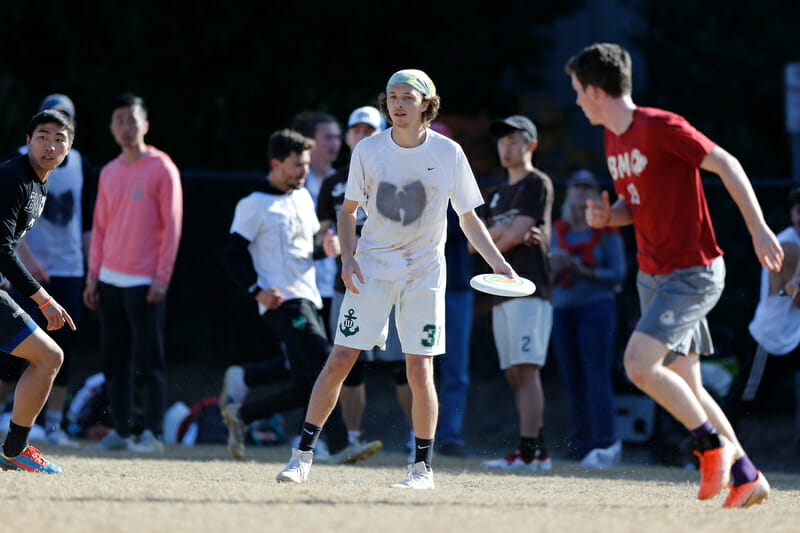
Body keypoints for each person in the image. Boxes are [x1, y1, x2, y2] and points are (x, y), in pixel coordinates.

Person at [565, 42, 783, 508]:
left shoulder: (659, 126)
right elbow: (636, 204)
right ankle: (748, 475)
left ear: (596, 90)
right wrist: (610, 219)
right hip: (653, 276)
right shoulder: (612, 138)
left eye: (578, 92)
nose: (577, 101)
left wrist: (760, 229)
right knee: (689, 386)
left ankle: (709, 447)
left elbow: (727, 163)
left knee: (639, 366)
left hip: (693, 273)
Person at [277, 69, 513, 490]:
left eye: (407, 96)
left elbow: (468, 218)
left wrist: (499, 263)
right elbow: (347, 212)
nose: (397, 104)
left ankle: (422, 469)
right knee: (339, 362)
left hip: (425, 274)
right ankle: (302, 456)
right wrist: (349, 259)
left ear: (426, 102)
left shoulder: (449, 152)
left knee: (420, 372)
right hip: (372, 271)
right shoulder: (368, 150)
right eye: (391, 96)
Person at [219, 128, 381, 465]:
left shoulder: (303, 197)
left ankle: (243, 414)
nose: (304, 172)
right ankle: (338, 447)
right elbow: (232, 254)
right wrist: (256, 291)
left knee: (309, 382)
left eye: (306, 164)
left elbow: (306, 248)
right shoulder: (252, 204)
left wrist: (325, 250)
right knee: (327, 363)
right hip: (282, 303)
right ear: (276, 164)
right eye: (297, 165)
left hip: (310, 298)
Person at [84, 93, 183, 453]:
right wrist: (93, 277)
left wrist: (162, 277)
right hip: (109, 280)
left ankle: (153, 434)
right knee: (114, 361)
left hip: (145, 282)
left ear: (145, 124)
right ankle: (122, 432)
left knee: (149, 362)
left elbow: (172, 227)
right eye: (119, 120)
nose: (125, 127)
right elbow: (100, 228)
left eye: (131, 119)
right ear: (111, 128)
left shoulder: (162, 167)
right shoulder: (109, 172)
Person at [0, 94, 97, 448]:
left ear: (69, 149)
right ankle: (15, 450)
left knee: (49, 356)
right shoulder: (15, 177)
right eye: (42, 136)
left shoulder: (39, 182)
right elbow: (2, 249)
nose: (50, 145)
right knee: (49, 356)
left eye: (59, 139)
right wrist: (43, 300)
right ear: (27, 141)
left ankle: (15, 449)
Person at [316, 106, 414, 453]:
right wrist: (328, 243)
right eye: (356, 130)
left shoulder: (399, 174)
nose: (362, 136)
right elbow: (323, 235)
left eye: (369, 130)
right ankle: (351, 439)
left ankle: (416, 438)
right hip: (349, 286)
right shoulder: (333, 182)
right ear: (347, 137)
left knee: (402, 366)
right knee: (348, 364)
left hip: (392, 282)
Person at [475, 115, 555, 472]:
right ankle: (539, 452)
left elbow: (512, 233)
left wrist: (502, 232)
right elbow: (474, 247)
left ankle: (528, 454)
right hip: (502, 293)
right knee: (513, 373)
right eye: (502, 141)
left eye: (514, 140)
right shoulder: (494, 194)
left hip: (530, 289)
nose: (506, 147)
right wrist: (504, 231)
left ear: (531, 145)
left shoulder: (537, 184)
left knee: (527, 369)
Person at [548, 170, 626, 467]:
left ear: (595, 195)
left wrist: (581, 269)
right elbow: (549, 275)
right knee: (572, 379)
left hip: (597, 309)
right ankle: (580, 444)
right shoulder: (558, 230)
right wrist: (558, 267)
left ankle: (604, 444)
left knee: (597, 377)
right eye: (576, 187)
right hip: (563, 308)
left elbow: (618, 275)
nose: (580, 193)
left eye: (586, 188)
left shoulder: (607, 231)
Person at [730, 187, 800, 443]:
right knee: (745, 399)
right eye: (798, 211)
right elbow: (795, 298)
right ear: (792, 214)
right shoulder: (789, 245)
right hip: (770, 338)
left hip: (794, 337)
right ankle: (711, 450)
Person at [429, 121, 473, 457]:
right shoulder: (410, 180)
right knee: (419, 363)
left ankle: (450, 435)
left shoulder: (460, 184)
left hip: (456, 287)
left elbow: (471, 231)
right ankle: (419, 433)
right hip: (422, 284)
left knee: (455, 368)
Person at [290, 111, 342, 338]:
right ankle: (246, 374)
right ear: (310, 142)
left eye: (337, 137)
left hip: (339, 282)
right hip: (303, 283)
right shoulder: (295, 186)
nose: (335, 144)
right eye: (328, 137)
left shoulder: (345, 183)